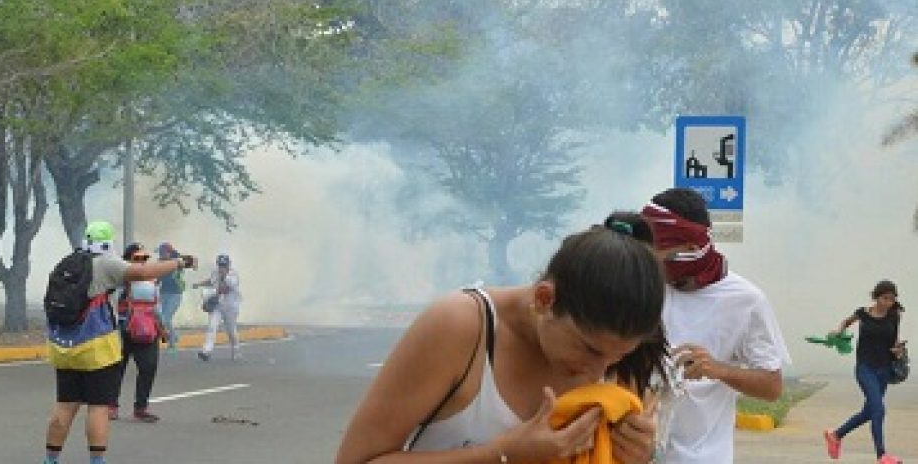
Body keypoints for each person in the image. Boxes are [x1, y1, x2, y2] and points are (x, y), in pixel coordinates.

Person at [335, 221, 666, 464]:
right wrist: (501, 454)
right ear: (544, 299)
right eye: (589, 349)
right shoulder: (462, 327)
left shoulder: (619, 364)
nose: (597, 372)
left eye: (618, 356)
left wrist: (641, 453)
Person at [641, 188, 790, 464]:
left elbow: (772, 386)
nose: (649, 259)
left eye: (657, 250)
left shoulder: (746, 301)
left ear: (690, 248)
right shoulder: (645, 288)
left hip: (703, 457)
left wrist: (717, 369)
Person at [43, 221, 193, 464]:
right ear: (108, 242)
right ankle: (97, 461)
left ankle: (50, 460)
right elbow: (144, 273)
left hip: (64, 347)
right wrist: (179, 262)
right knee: (98, 408)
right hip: (96, 349)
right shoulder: (105, 263)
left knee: (65, 406)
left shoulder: (68, 263)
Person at [823, 280, 906, 463]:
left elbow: (894, 339)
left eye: (892, 299)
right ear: (877, 297)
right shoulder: (863, 314)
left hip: (884, 370)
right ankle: (882, 456)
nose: (888, 303)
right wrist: (838, 331)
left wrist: (898, 350)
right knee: (878, 409)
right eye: (885, 298)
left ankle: (836, 435)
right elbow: (846, 321)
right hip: (865, 368)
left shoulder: (895, 315)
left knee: (869, 412)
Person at [110, 242, 165, 422]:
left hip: (147, 330)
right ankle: (111, 405)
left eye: (144, 259)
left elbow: (157, 307)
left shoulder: (152, 281)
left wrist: (162, 327)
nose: (141, 263)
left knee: (149, 367)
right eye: (137, 259)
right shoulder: (117, 280)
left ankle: (141, 407)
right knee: (116, 369)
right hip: (121, 330)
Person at [194, 253, 242, 362]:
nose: (222, 267)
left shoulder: (233, 276)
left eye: (224, 265)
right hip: (218, 306)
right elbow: (211, 281)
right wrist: (199, 284)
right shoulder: (215, 272)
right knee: (212, 327)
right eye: (220, 265)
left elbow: (224, 289)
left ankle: (236, 349)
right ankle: (206, 351)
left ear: (228, 265)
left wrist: (210, 294)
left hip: (231, 307)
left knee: (231, 331)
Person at [157, 241, 187, 352]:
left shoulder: (177, 261)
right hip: (163, 292)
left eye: (162, 252)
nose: (160, 255)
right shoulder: (161, 262)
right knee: (162, 317)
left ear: (168, 253)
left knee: (166, 318)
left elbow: (191, 262)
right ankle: (174, 336)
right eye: (160, 252)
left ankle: (172, 343)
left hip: (175, 294)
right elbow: (159, 276)